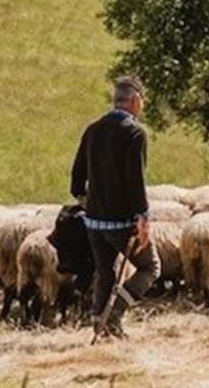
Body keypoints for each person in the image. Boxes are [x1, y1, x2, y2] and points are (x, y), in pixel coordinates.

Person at [70, 75, 159, 337]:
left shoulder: (93, 129)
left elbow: (77, 177)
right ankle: (115, 314)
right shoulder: (134, 133)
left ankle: (99, 325)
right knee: (150, 267)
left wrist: (90, 203)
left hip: (94, 222)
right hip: (123, 222)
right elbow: (135, 180)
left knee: (105, 273)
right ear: (134, 101)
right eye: (141, 101)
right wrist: (142, 217)